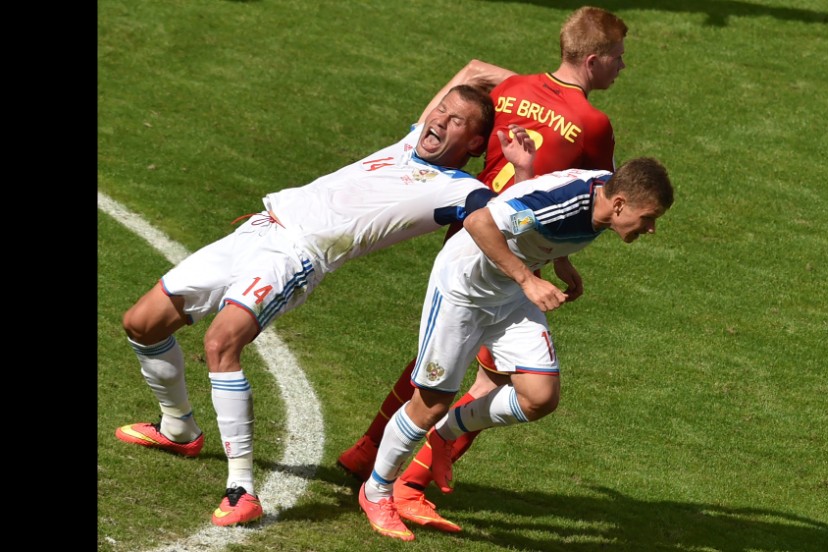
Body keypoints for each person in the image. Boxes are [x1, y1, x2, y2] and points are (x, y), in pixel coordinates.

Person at [113, 80, 536, 527]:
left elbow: (515, 224)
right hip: (256, 231)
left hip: (296, 256)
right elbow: (459, 81)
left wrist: (523, 174)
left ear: (473, 142)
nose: (439, 120)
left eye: (456, 121)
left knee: (221, 343)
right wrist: (492, 78)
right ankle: (179, 428)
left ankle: (241, 490)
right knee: (142, 323)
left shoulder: (461, 191)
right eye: (440, 112)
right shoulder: (411, 141)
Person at [337, 4, 629, 532]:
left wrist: (416, 142)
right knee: (489, 374)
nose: (622, 69)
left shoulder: (513, 87)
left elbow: (472, 72)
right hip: (505, 252)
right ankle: (405, 485)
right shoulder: (593, 123)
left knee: (444, 361)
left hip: (471, 224)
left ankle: (366, 453)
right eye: (618, 59)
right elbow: (593, 199)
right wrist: (544, 266)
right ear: (593, 60)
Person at [358, 157, 675, 541]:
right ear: (621, 203)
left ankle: (446, 434)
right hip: (464, 290)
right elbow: (479, 222)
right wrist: (528, 279)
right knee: (429, 404)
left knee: (539, 396)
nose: (652, 228)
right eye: (649, 218)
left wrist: (561, 260)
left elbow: (544, 221)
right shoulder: (569, 202)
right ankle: (376, 492)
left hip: (506, 295)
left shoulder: (603, 197)